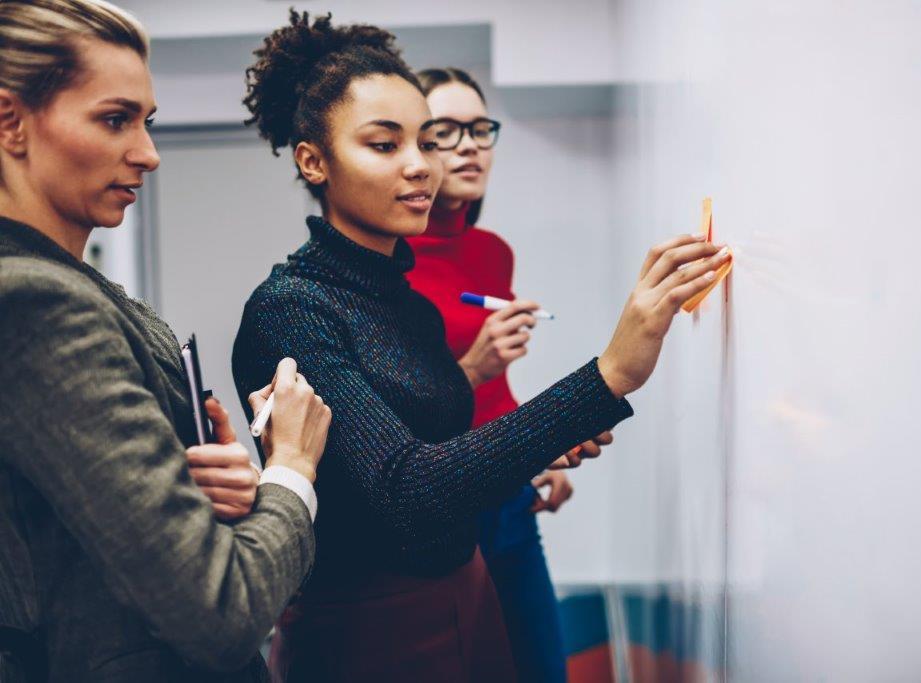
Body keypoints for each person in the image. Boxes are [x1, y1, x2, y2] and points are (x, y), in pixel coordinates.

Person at [232, 11, 731, 682]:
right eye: (385, 145)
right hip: (367, 635)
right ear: (313, 161)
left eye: (423, 142)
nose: (421, 166)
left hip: (468, 595)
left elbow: (444, 436)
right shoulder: (293, 309)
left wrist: (542, 439)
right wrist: (608, 375)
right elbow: (407, 489)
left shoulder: (404, 300)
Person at [0, 2, 332, 681]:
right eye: (115, 119)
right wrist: (291, 469)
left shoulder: (83, 290)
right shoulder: (37, 302)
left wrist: (208, 490)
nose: (148, 153)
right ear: (11, 121)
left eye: (145, 122)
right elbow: (220, 612)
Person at [405, 66, 590, 682]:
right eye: (446, 130)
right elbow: (393, 418)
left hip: (507, 494)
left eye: (480, 128)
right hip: (442, 508)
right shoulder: (388, 264)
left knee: (542, 668)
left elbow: (496, 388)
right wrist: (472, 364)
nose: (469, 145)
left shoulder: (492, 251)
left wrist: (533, 451)